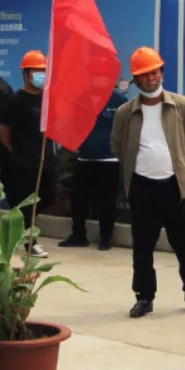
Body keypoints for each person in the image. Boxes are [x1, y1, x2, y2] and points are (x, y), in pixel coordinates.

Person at [111, 47, 185, 318]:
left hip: (176, 186)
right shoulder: (125, 112)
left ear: (162, 73)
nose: (151, 78)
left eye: (155, 72)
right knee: (143, 246)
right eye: (144, 74)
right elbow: (118, 147)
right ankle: (144, 297)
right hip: (142, 187)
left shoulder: (181, 104)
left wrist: (175, 163)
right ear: (136, 79)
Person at [59, 86, 127, 250]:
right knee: (78, 199)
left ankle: (105, 238)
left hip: (110, 159)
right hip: (85, 157)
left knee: (107, 201)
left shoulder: (119, 100)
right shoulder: (81, 99)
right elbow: (73, 123)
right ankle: (78, 236)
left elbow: (126, 127)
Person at [0, 49, 52, 258]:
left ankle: (20, 223)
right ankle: (31, 244)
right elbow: (4, 132)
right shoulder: (16, 101)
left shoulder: (47, 98)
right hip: (25, 161)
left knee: (49, 195)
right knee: (29, 203)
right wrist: (18, 150)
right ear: (26, 74)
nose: (41, 75)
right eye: (36, 71)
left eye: (43, 71)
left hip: (45, 158)